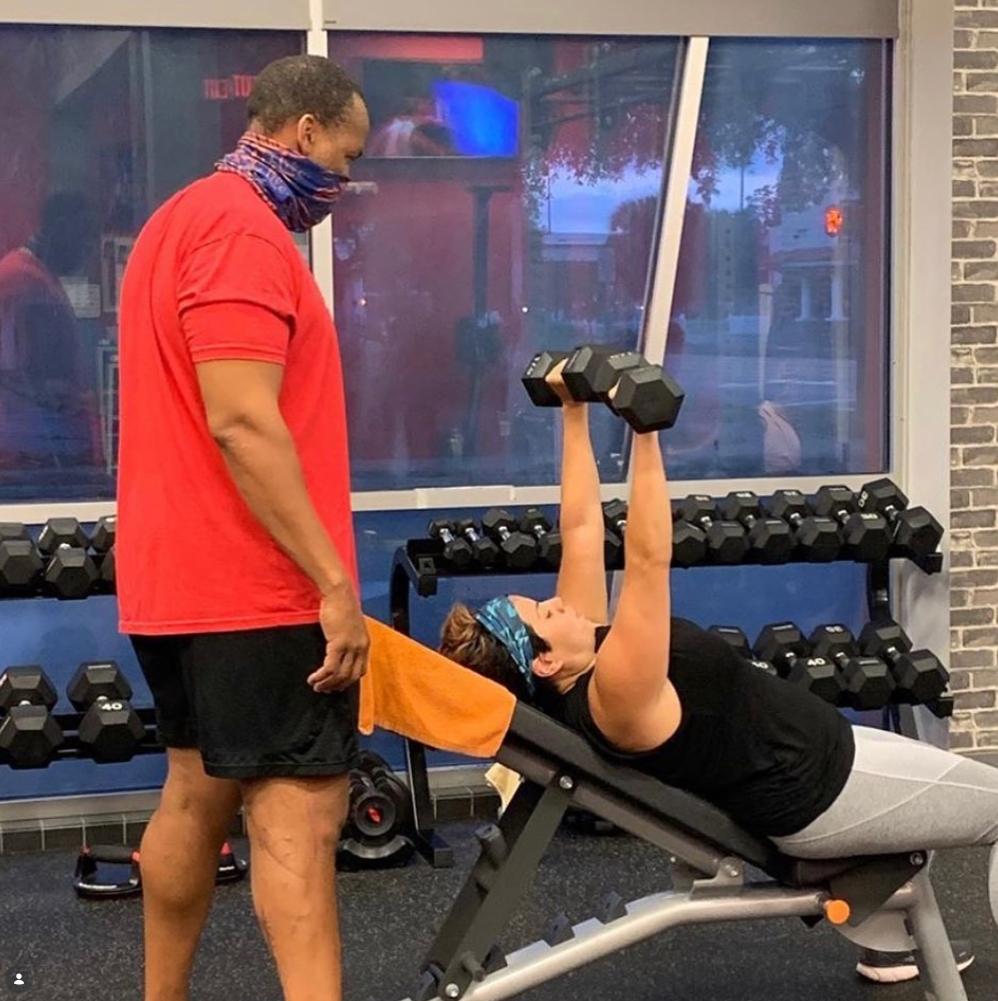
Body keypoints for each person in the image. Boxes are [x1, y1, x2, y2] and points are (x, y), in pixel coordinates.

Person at [439, 360, 998, 986]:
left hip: (818, 758)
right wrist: (645, 431)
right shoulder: (615, 691)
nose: (559, 600)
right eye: (544, 611)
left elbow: (581, 529)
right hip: (825, 784)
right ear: (543, 659)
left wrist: (573, 413)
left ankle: (890, 945)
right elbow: (649, 558)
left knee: (927, 801)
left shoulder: (580, 664)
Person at [116, 55, 371, 1001]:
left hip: (171, 583)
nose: (339, 186)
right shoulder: (240, 234)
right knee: (297, 823)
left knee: (193, 791)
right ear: (302, 133)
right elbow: (241, 421)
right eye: (341, 159)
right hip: (255, 591)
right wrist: (333, 584)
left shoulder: (172, 223)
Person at [0, 191, 100, 473]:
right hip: (38, 456)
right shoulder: (26, 283)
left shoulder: (30, 273)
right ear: (59, 230)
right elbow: (35, 381)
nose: (89, 249)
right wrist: (78, 401)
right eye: (85, 237)